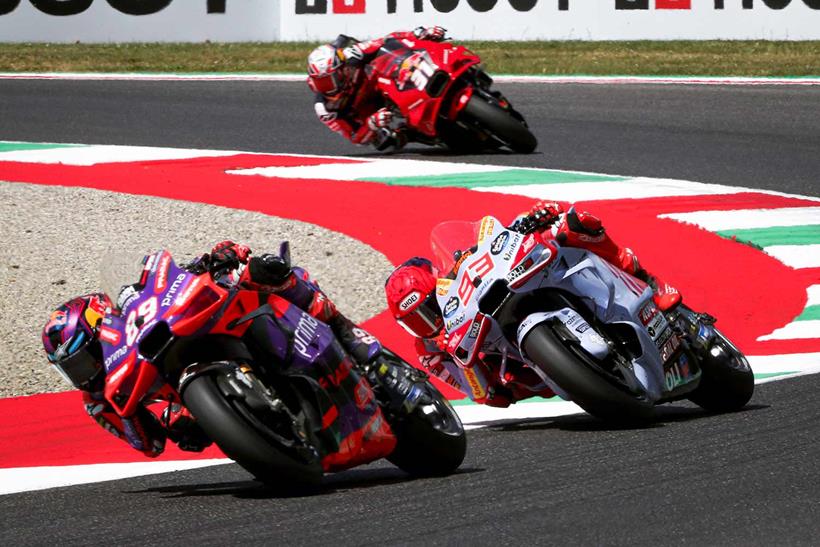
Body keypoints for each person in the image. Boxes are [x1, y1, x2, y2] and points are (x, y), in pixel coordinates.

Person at [41, 241, 382, 458]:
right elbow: (149, 444)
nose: (85, 374)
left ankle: (344, 331)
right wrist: (173, 423)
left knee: (260, 272)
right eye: (72, 370)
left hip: (205, 325)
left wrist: (214, 260)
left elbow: (170, 281)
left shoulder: (130, 314)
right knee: (187, 424)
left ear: (102, 326)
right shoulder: (100, 401)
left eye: (84, 359)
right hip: (192, 398)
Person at [384, 201, 681, 408]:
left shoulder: (459, 279)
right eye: (416, 323)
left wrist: (532, 218)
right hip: (520, 366)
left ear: (438, 288)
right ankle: (580, 373)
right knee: (507, 388)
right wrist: (465, 362)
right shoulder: (429, 351)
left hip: (515, 288)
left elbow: (497, 240)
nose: (428, 323)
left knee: (573, 225)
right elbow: (482, 394)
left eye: (428, 311)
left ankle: (645, 279)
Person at [307, 25, 447, 151]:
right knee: (385, 140)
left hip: (383, 82)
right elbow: (356, 138)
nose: (326, 87)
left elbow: (386, 40)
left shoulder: (353, 54)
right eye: (321, 82)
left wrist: (417, 34)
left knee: (393, 52)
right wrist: (372, 123)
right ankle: (412, 132)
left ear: (342, 70)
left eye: (329, 80)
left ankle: (438, 59)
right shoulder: (325, 109)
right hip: (371, 112)